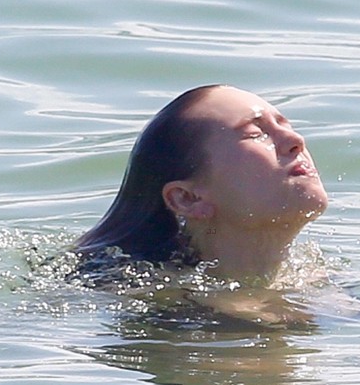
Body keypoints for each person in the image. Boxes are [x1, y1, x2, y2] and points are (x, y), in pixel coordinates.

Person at [73, 84, 328, 290]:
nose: (296, 140)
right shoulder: (155, 307)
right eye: (256, 134)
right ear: (187, 198)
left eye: (285, 126)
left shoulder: (325, 291)